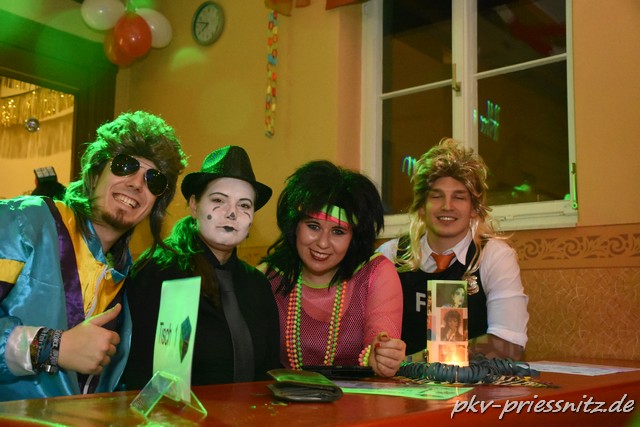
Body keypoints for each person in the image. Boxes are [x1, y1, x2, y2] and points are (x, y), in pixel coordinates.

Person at [0, 111, 187, 401]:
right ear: (96, 171)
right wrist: (52, 347)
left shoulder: (126, 278)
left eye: (154, 180)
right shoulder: (26, 221)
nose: (137, 184)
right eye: (125, 166)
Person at [121, 146, 281, 389]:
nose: (232, 213)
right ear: (194, 205)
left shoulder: (257, 284)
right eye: (218, 200)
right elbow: (137, 371)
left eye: (244, 205)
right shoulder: (159, 272)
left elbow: (268, 370)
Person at [377, 138, 528, 360]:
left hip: (472, 383)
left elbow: (508, 344)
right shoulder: (390, 255)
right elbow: (368, 336)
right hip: (401, 382)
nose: (447, 206)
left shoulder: (494, 256)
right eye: (436, 196)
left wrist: (414, 361)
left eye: (459, 197)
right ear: (421, 207)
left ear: (474, 208)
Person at [260, 160, 406, 378]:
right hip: (285, 398)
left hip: (360, 399)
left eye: (338, 231)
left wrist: (382, 354)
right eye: (313, 226)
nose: (322, 243)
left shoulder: (374, 273)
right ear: (294, 225)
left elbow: (381, 335)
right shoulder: (266, 278)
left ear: (354, 237)